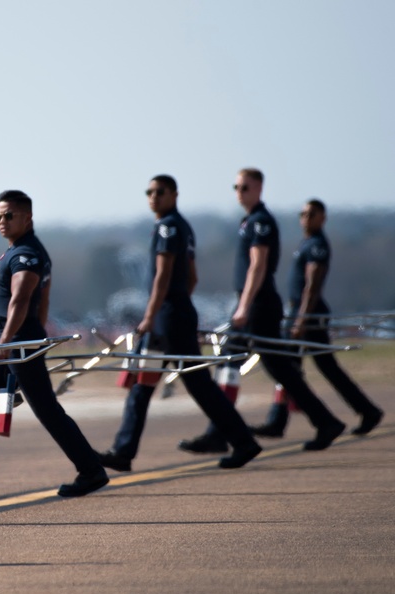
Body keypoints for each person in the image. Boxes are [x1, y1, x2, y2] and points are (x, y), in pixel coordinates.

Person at [97, 176, 262, 471]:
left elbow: (163, 274)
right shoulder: (181, 226)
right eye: (149, 192)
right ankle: (123, 451)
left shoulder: (167, 226)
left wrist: (151, 315)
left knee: (197, 383)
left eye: (160, 192)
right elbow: (192, 277)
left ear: (174, 194)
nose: (153, 197)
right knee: (144, 386)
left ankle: (243, 441)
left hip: (166, 320)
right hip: (171, 315)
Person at [178, 169, 346, 455]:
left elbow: (259, 265)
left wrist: (243, 305)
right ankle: (323, 421)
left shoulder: (260, 222)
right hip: (253, 303)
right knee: (252, 363)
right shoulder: (251, 221)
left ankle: (221, 432)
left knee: (250, 362)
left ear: (258, 188)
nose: (239, 192)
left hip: (258, 305)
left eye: (245, 187)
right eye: (236, 187)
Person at [0, 190, 109, 496]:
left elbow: (21, 300)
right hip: (20, 337)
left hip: (15, 340)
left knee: (27, 407)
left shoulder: (26, 253)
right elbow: (43, 301)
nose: (2, 221)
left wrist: (8, 339)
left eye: (9, 215)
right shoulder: (22, 249)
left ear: (27, 218)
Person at [249, 199, 383, 437]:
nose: (305, 218)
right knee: (291, 367)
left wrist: (301, 319)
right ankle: (278, 419)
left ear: (322, 218)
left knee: (310, 367)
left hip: (309, 316)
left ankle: (362, 411)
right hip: (299, 314)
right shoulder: (307, 243)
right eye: (302, 214)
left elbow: (313, 286)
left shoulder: (317, 245)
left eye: (311, 214)